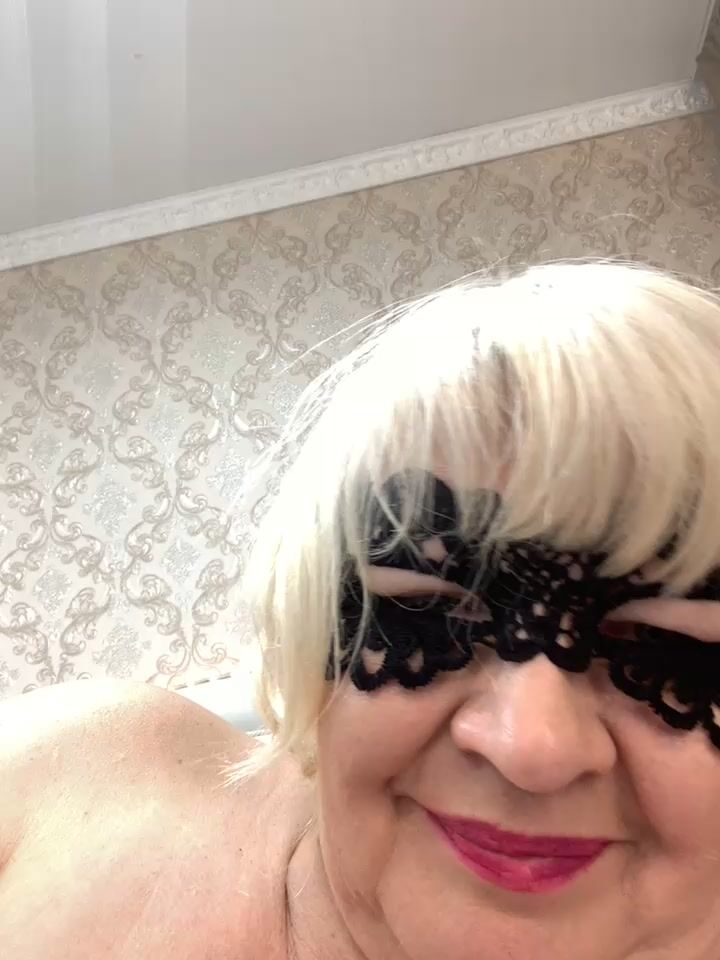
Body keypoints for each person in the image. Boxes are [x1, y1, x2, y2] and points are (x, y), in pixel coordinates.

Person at [3, 262, 720, 960]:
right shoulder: (64, 778)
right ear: (309, 618)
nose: (530, 746)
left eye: (666, 641)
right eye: (423, 607)